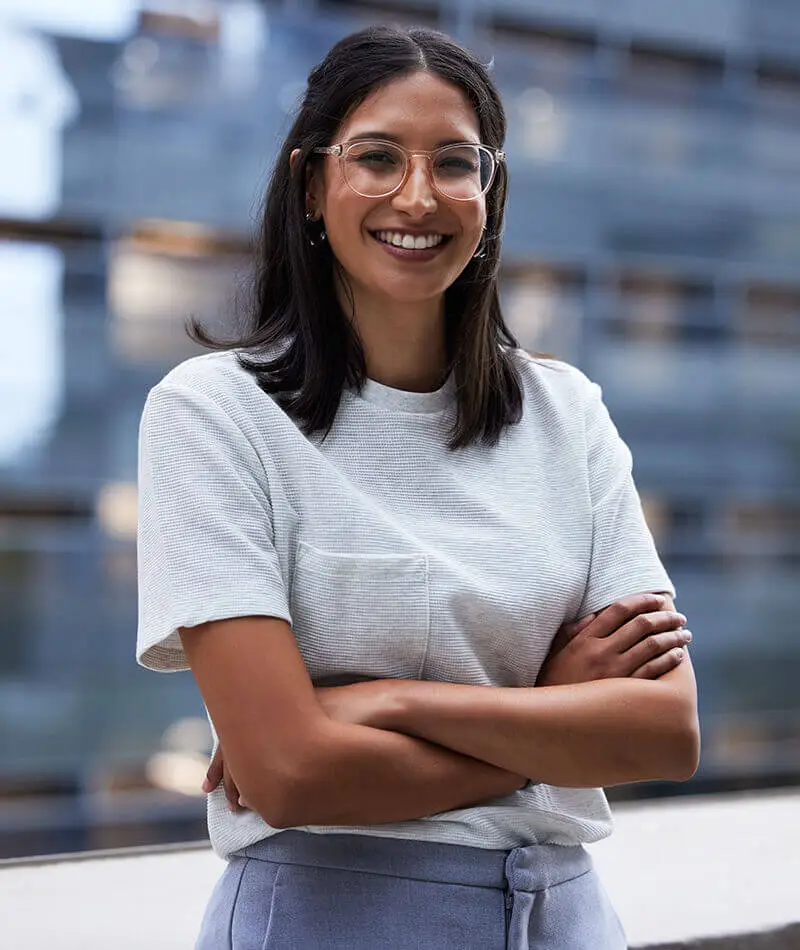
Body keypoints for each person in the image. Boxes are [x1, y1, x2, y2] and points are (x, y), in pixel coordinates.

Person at [135, 24, 700, 949]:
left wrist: (384, 701)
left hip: (569, 919)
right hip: (333, 919)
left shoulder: (567, 412)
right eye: (377, 157)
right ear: (312, 183)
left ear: (490, 193)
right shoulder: (213, 416)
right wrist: (552, 711)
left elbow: (663, 733)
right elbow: (288, 772)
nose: (418, 195)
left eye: (455, 162)